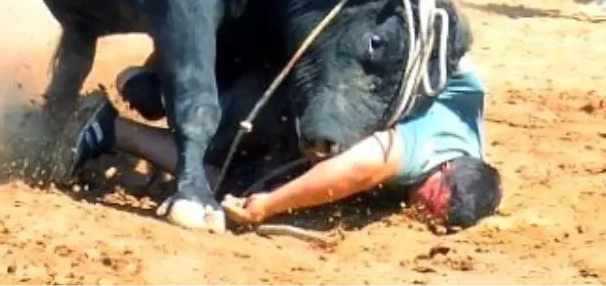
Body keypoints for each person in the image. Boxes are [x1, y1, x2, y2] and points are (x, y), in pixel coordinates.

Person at [59, 59, 502, 232]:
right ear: (446, 171)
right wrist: (269, 205)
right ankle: (122, 122)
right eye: (431, 204)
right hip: (313, 68)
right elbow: (363, 167)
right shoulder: (429, 149)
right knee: (235, 176)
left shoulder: (469, 149)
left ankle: (137, 103)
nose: (422, 213)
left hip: (346, 61)